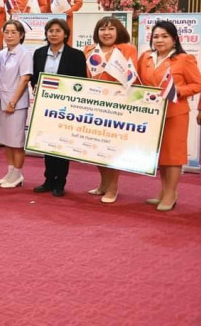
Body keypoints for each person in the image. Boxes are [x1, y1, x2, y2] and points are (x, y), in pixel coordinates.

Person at [137, 21, 201, 211]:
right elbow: (140, 81)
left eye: (165, 36)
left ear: (174, 39)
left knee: (173, 155)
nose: (160, 40)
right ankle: (164, 191)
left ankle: (171, 194)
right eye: (156, 36)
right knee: (160, 155)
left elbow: (198, 84)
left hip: (175, 113)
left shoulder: (184, 59)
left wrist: (177, 91)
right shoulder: (146, 57)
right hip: (152, 113)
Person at [83, 17, 138, 203]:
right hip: (93, 105)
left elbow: (132, 77)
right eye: (102, 29)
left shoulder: (127, 49)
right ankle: (104, 183)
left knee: (112, 148)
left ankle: (113, 187)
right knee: (96, 147)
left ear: (118, 31)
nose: (106, 33)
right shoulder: (89, 50)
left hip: (116, 106)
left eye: (111, 29)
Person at [30, 18, 87, 197]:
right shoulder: (39, 53)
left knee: (62, 145)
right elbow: (34, 77)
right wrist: (35, 86)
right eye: (50, 31)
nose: (54, 34)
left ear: (65, 34)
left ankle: (60, 182)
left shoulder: (76, 55)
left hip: (66, 108)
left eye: (58, 31)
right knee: (46, 144)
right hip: (45, 106)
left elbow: (81, 82)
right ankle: (48, 180)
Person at [0, 20, 33, 188]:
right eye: (6, 32)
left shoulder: (24, 53)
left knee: (16, 142)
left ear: (21, 35)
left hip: (15, 103)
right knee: (6, 139)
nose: (9, 35)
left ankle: (17, 174)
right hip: (1, 101)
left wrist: (13, 101)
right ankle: (10, 172)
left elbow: (25, 78)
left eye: (13, 32)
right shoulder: (1, 53)